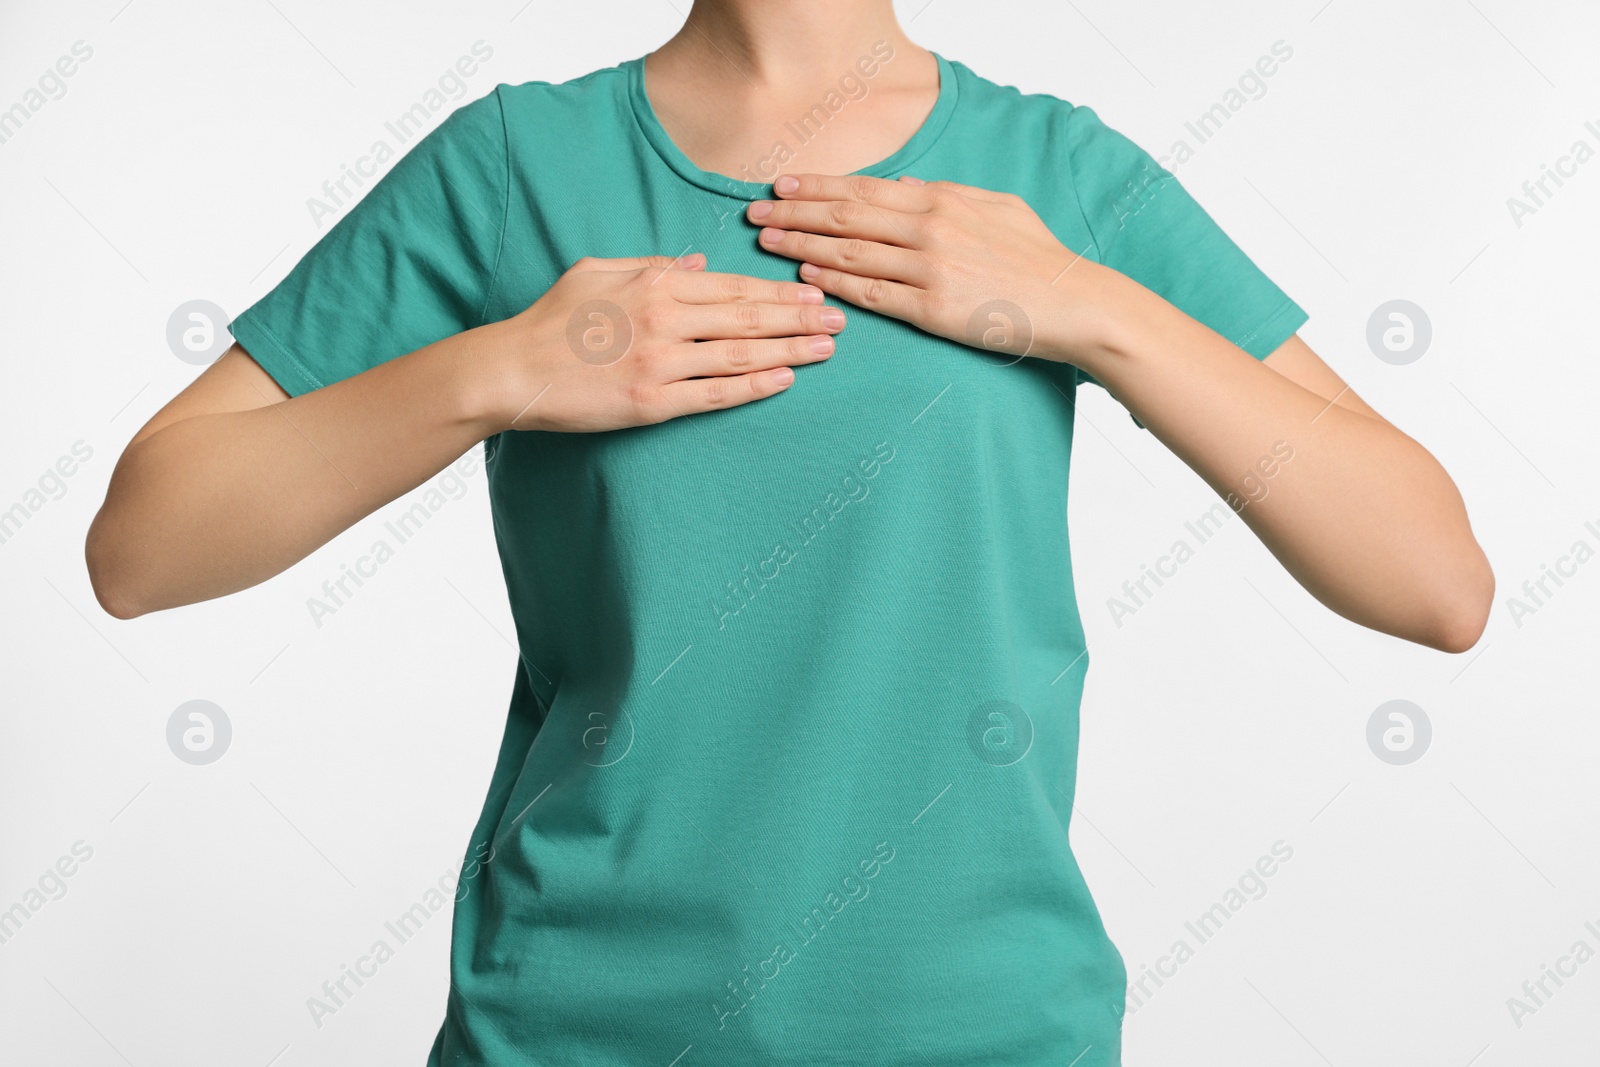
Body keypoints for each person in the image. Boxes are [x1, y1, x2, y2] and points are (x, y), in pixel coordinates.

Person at [85, 1, 1494, 1063]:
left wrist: (1092, 310)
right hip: (581, 1028)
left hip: (987, 1028)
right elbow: (142, 547)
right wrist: (504, 370)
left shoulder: (1052, 178)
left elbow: (1436, 582)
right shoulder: (517, 162)